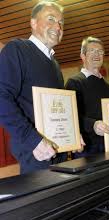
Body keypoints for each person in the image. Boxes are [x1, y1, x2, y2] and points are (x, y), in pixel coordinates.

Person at [0, 1, 68, 174]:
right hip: (36, 153)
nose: (58, 26)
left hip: (59, 150)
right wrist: (33, 140)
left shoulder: (55, 65)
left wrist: (72, 134)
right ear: (33, 23)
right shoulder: (17, 49)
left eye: (61, 23)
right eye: (51, 19)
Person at [66, 36, 109, 157]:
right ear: (83, 56)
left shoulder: (108, 87)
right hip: (86, 148)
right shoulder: (74, 82)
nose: (97, 54)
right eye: (92, 51)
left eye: (100, 51)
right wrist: (93, 125)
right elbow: (70, 117)